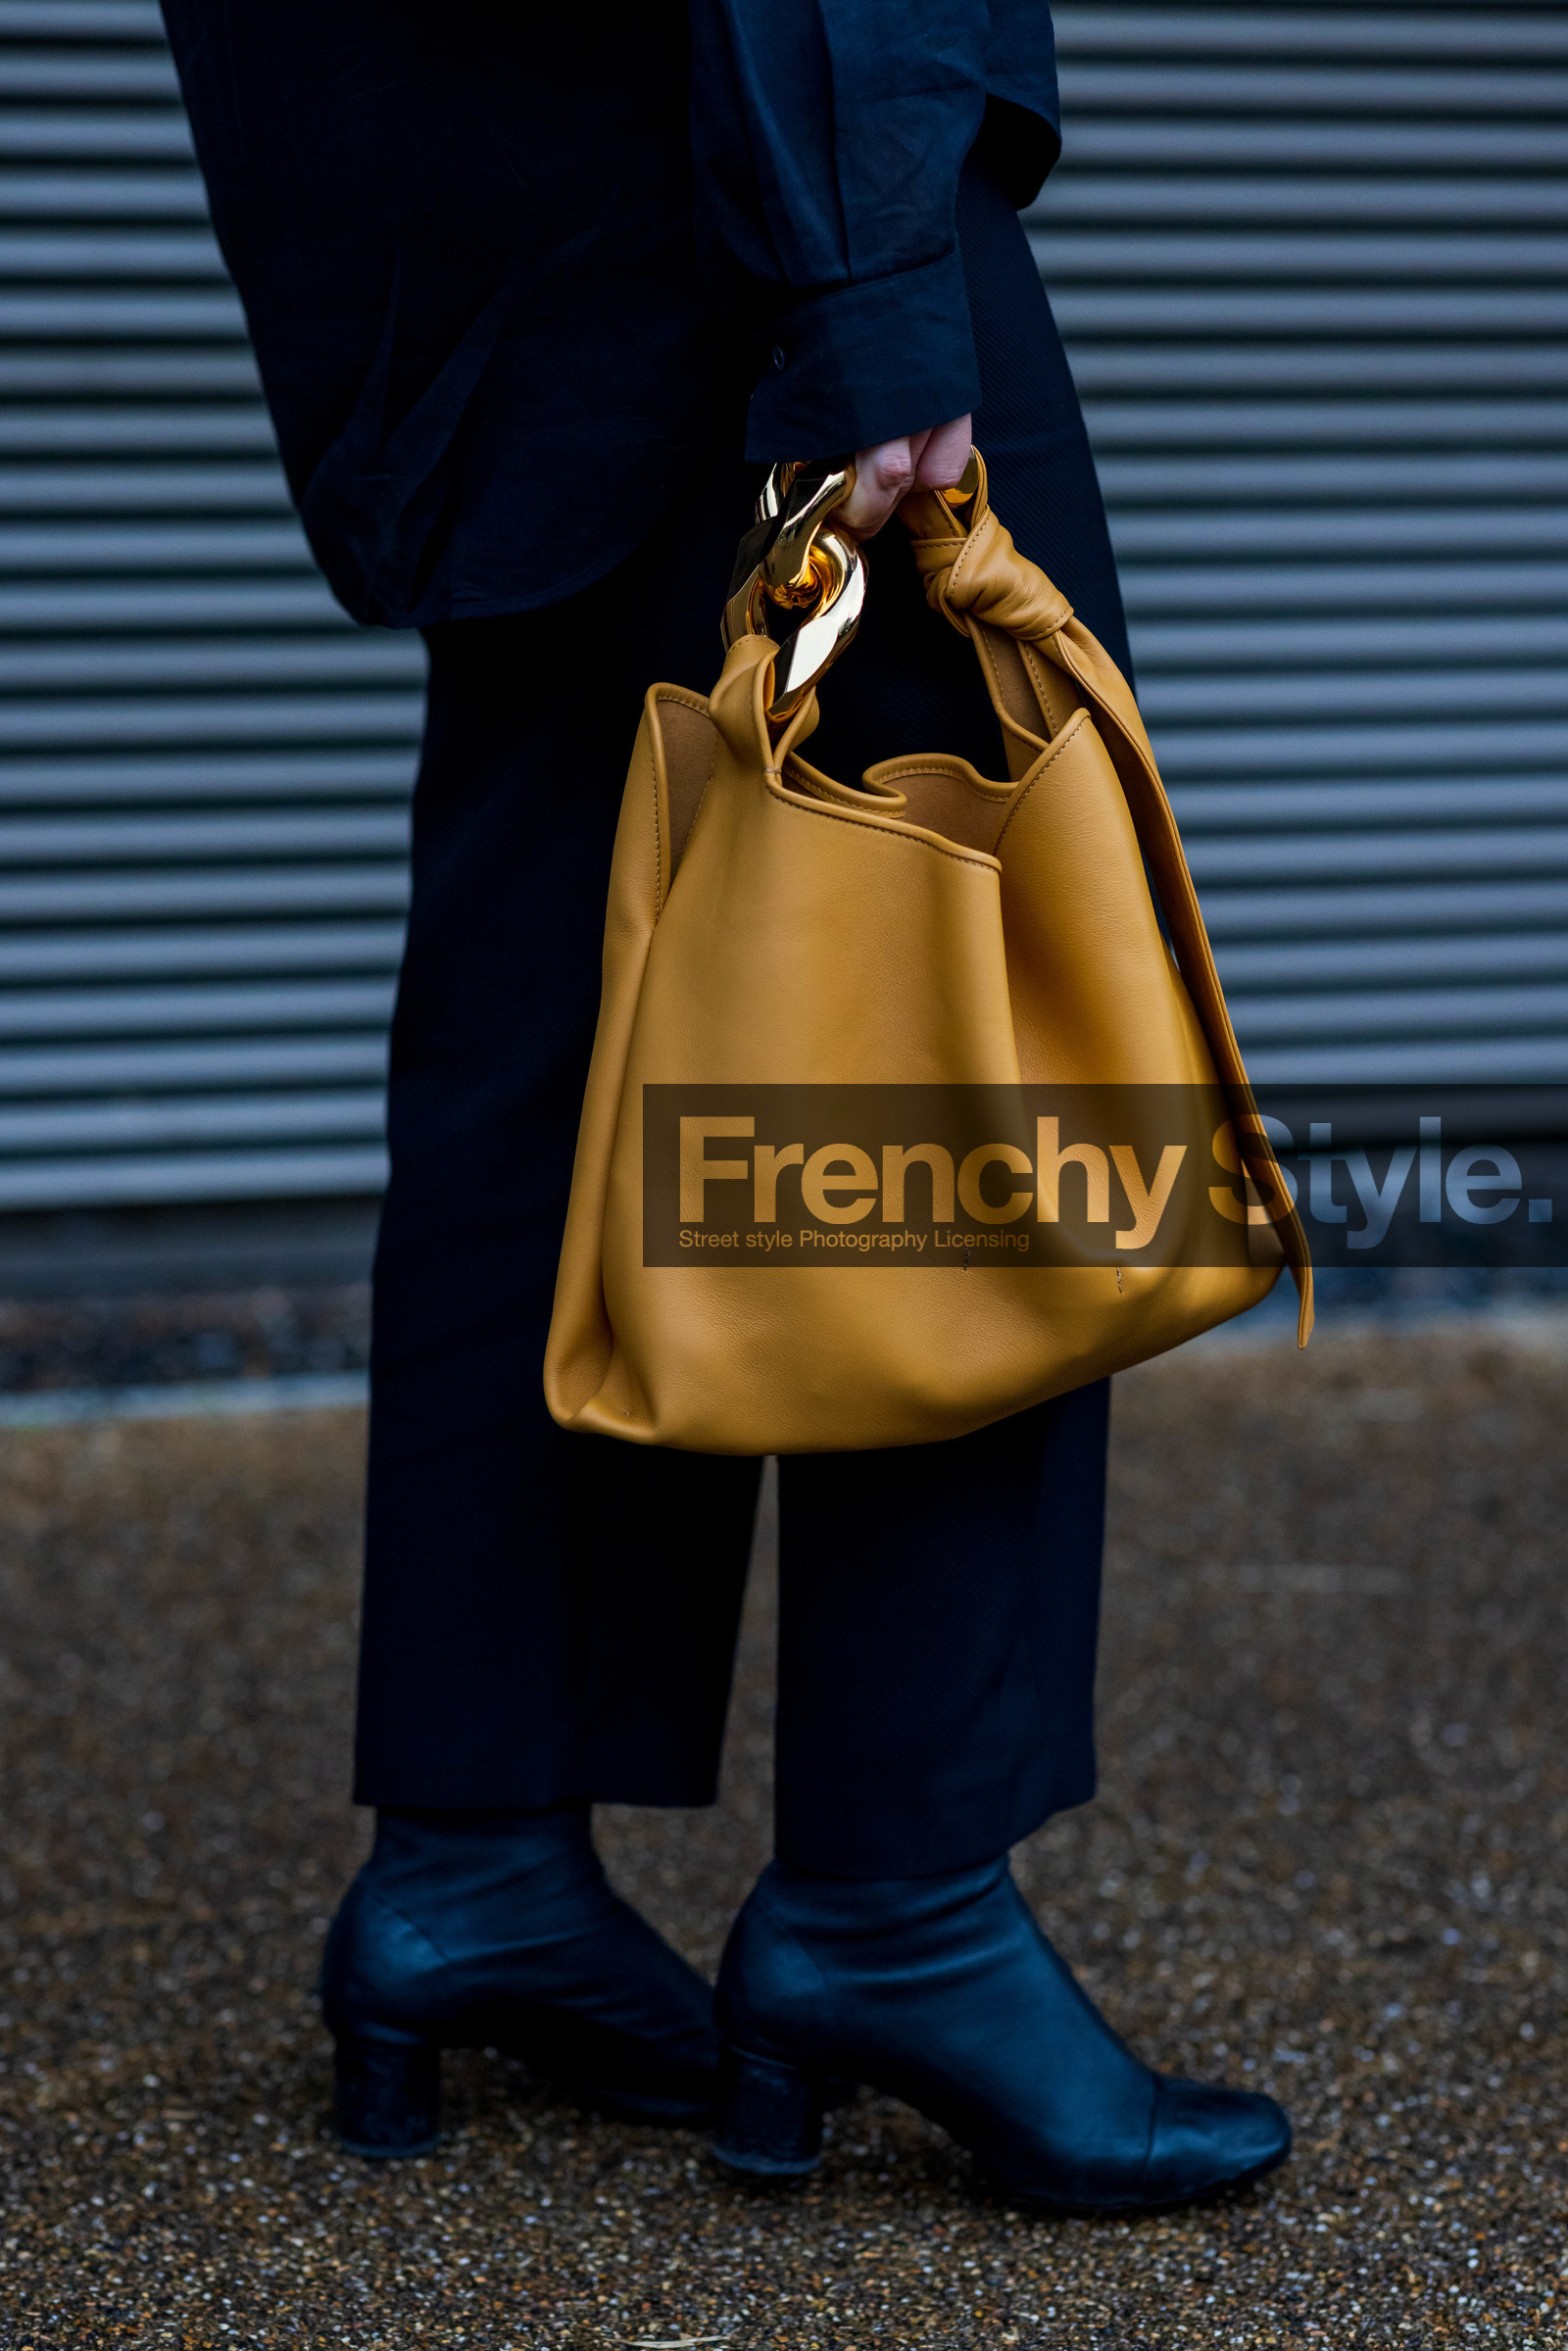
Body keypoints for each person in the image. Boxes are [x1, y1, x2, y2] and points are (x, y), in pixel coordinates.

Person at [159, 0, 1290, 2208]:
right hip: (768, 155)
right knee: (955, 1027)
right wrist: (864, 280)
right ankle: (898, 1906)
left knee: (550, 1029)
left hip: (463, 205)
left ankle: (474, 1858)